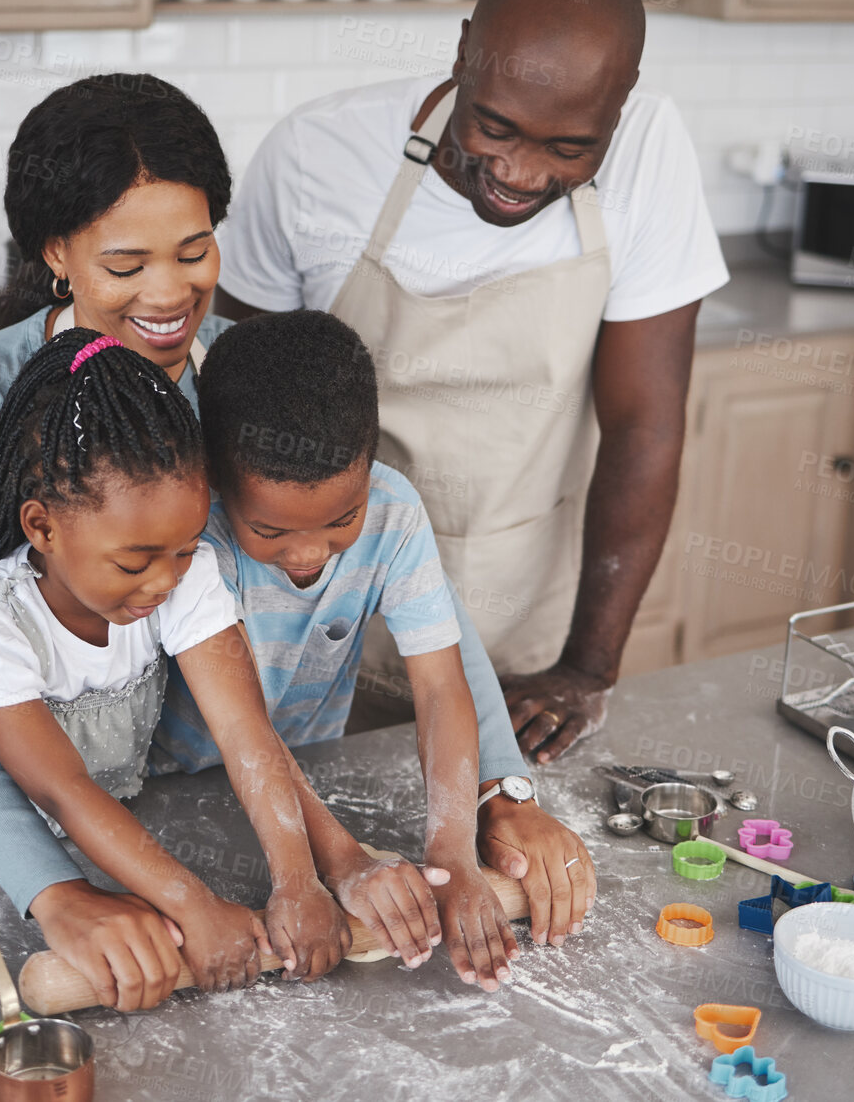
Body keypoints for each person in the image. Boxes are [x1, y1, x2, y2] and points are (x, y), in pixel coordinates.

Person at [212, 0, 729, 764]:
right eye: (494, 126)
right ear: (462, 54)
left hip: (520, 631)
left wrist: (587, 668)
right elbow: (233, 401)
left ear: (619, 111)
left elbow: (644, 427)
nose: (519, 172)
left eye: (570, 148)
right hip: (313, 624)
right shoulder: (317, 155)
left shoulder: (652, 153)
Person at [0, 75, 244, 1008]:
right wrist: (56, 890)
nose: (169, 294)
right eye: (125, 266)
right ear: (56, 255)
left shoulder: (236, 374)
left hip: (115, 757)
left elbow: (388, 524)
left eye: (194, 252)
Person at [0, 325, 447, 1002]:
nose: (162, 583)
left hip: (104, 835)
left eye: (183, 549)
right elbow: (64, 790)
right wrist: (195, 907)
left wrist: (298, 879)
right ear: (42, 527)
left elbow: (244, 729)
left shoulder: (180, 571)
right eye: (135, 561)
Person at [156, 310, 597, 980]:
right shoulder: (197, 540)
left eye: (342, 519)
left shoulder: (394, 512)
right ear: (216, 480)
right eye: (270, 529)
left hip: (310, 769)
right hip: (182, 792)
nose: (307, 552)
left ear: (370, 465)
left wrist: (452, 858)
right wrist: (333, 867)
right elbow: (242, 729)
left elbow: (441, 687)